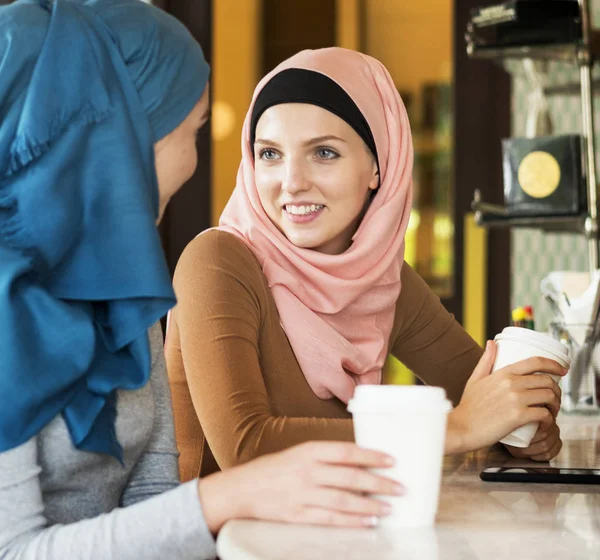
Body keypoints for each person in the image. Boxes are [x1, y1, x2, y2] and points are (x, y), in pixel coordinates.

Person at [0, 2, 405, 558]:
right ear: (125, 137)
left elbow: (151, 492)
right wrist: (231, 495)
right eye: (190, 131)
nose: (194, 162)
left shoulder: (121, 287)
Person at [166, 46, 567, 482]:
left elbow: (483, 394)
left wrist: (522, 424)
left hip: (335, 534)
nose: (292, 182)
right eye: (270, 154)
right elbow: (247, 447)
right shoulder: (217, 262)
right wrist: (457, 427)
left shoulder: (381, 282)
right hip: (223, 547)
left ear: (378, 166)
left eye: (323, 153)